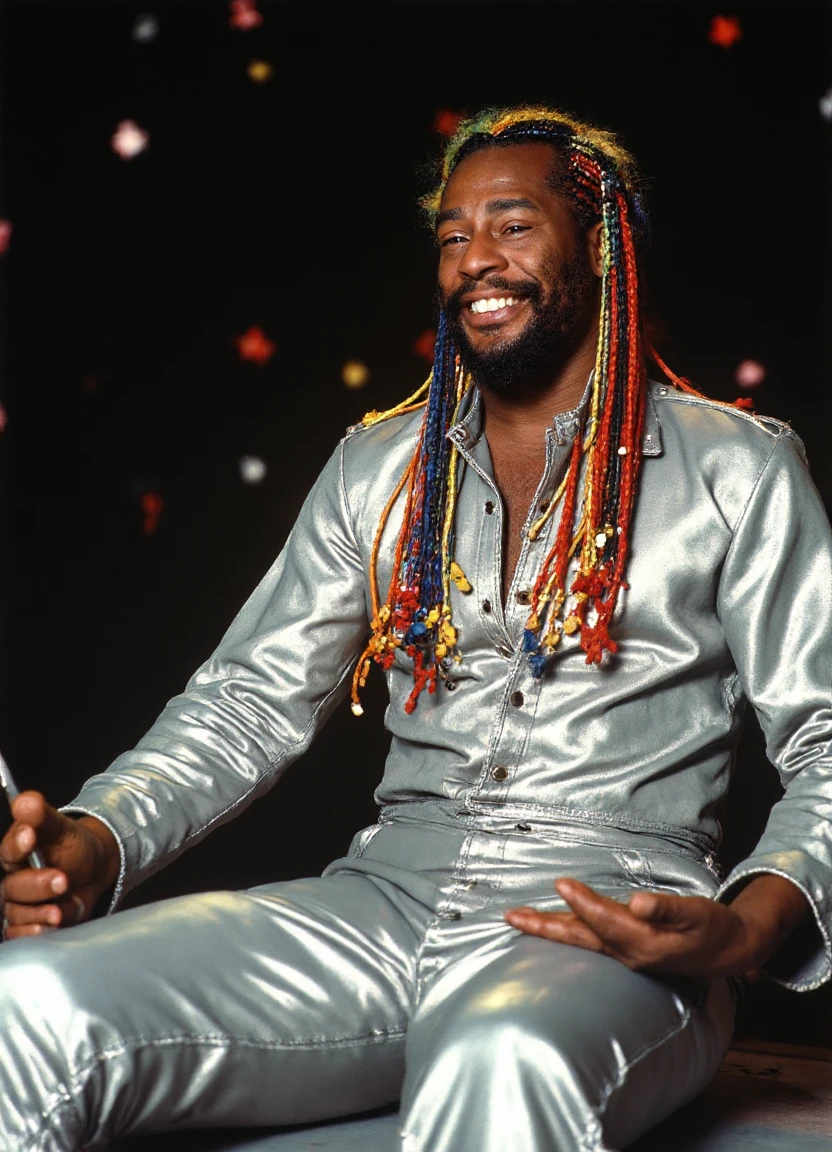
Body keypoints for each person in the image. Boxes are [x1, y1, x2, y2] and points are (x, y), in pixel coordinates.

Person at [1, 105, 830, 1152]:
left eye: (513, 224)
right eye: (450, 235)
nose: (474, 258)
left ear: (601, 245)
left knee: (500, 1058)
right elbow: (246, 703)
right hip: (384, 900)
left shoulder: (737, 467)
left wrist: (746, 925)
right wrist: (93, 837)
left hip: (612, 925)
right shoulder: (378, 467)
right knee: (20, 1001)